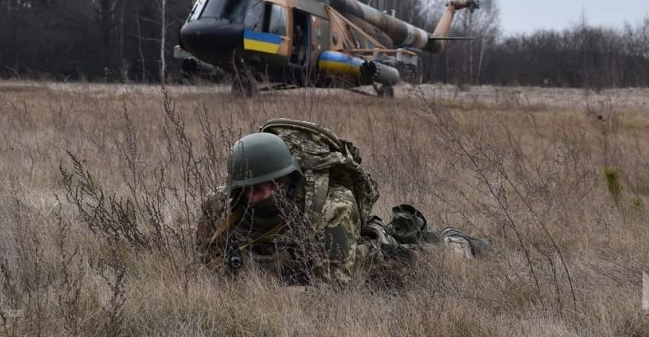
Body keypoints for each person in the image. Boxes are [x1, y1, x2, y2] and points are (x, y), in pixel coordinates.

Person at [196, 120, 490, 285]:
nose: (252, 197)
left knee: (417, 254)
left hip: (362, 259)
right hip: (299, 261)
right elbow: (205, 263)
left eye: (261, 189)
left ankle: (458, 242)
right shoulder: (220, 204)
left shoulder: (333, 208)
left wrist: (258, 285)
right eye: (245, 189)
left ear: (284, 182)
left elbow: (333, 287)